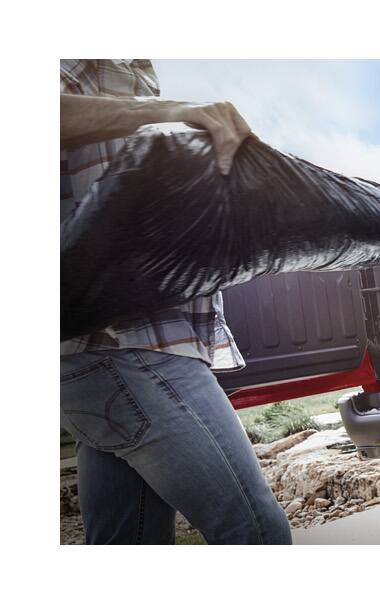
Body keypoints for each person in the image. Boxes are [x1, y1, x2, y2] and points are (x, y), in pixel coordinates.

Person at [60, 59, 292, 544]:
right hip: (129, 346)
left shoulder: (126, 62)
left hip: (104, 357)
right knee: (257, 536)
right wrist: (175, 109)